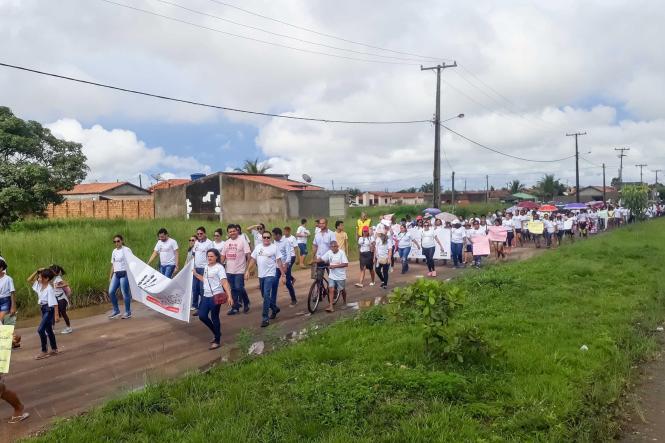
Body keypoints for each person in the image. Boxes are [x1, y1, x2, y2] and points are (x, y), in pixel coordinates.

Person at [192, 249, 232, 350]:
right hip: (206, 295)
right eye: (208, 256)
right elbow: (205, 280)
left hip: (216, 296)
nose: (209, 258)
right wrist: (196, 274)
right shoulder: (206, 266)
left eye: (211, 256)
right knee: (202, 316)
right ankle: (216, 332)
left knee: (214, 317)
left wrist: (229, 296)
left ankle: (217, 340)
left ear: (216, 257)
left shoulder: (219, 268)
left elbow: (224, 282)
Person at [246, 230, 285, 328]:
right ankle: (275, 308)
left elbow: (279, 261)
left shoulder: (274, 247)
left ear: (270, 238)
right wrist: (247, 270)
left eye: (268, 237)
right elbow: (253, 259)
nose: (266, 239)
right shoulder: (258, 247)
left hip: (271, 274)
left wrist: (283, 275)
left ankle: (265, 318)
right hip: (261, 275)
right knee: (264, 295)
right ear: (262, 238)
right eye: (264, 237)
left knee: (267, 294)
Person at [27, 268, 58, 360]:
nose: (38, 278)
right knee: (48, 330)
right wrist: (36, 271)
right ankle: (54, 349)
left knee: (40, 330)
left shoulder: (49, 289)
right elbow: (29, 280)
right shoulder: (40, 286)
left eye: (40, 277)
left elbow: (55, 304)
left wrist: (56, 316)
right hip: (43, 309)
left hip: (49, 309)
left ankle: (44, 351)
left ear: (47, 279)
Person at [220, 224, 251, 315]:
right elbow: (223, 256)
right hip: (229, 270)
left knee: (239, 287)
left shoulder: (242, 241)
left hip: (240, 270)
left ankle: (246, 302)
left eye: (234, 231)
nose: (232, 233)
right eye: (230, 232)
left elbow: (248, 255)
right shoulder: (226, 242)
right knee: (232, 289)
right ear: (228, 233)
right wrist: (219, 267)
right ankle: (235, 307)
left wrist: (247, 269)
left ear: (237, 231)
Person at [319, 240, 349, 312]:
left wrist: (334, 266)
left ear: (337, 247)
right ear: (330, 247)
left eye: (335, 246)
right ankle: (331, 306)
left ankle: (344, 302)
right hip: (332, 276)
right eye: (332, 247)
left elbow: (346, 264)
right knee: (331, 290)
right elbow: (322, 259)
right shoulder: (329, 252)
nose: (333, 248)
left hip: (340, 276)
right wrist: (314, 261)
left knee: (342, 290)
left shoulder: (341, 253)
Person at [108, 235, 133, 319]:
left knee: (124, 293)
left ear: (122, 241)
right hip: (116, 274)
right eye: (114, 242)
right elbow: (113, 264)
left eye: (118, 241)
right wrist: (110, 276)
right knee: (111, 291)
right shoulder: (114, 251)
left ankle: (128, 312)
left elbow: (132, 262)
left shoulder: (126, 250)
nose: (116, 243)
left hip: (124, 273)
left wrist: (130, 274)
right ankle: (116, 311)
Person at [271, 228, 297, 307]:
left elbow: (288, 255)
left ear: (278, 235)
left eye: (273, 235)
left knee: (288, 283)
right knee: (274, 282)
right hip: (277, 266)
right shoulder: (274, 242)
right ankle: (273, 302)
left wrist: (286, 265)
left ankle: (294, 299)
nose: (273, 237)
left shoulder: (286, 242)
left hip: (285, 265)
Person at [191, 227, 214, 314]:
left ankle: (202, 308)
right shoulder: (196, 243)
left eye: (201, 233)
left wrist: (210, 268)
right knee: (195, 289)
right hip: (196, 269)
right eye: (198, 234)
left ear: (205, 233)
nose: (199, 235)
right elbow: (193, 255)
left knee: (202, 289)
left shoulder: (209, 243)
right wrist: (192, 266)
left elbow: (212, 256)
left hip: (205, 269)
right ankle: (195, 306)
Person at [50, 264, 72, 334]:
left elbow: (66, 284)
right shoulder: (56, 278)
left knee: (63, 313)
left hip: (61, 298)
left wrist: (59, 286)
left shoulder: (58, 278)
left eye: (51, 271)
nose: (50, 272)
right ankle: (52, 329)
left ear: (54, 272)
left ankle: (69, 327)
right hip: (57, 298)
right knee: (54, 313)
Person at [0, 259, 16, 325]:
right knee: (4, 327)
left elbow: (12, 293)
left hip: (5, 302)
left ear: (1, 268)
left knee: (1, 323)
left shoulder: (8, 279)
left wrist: (13, 307)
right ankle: (15, 336)